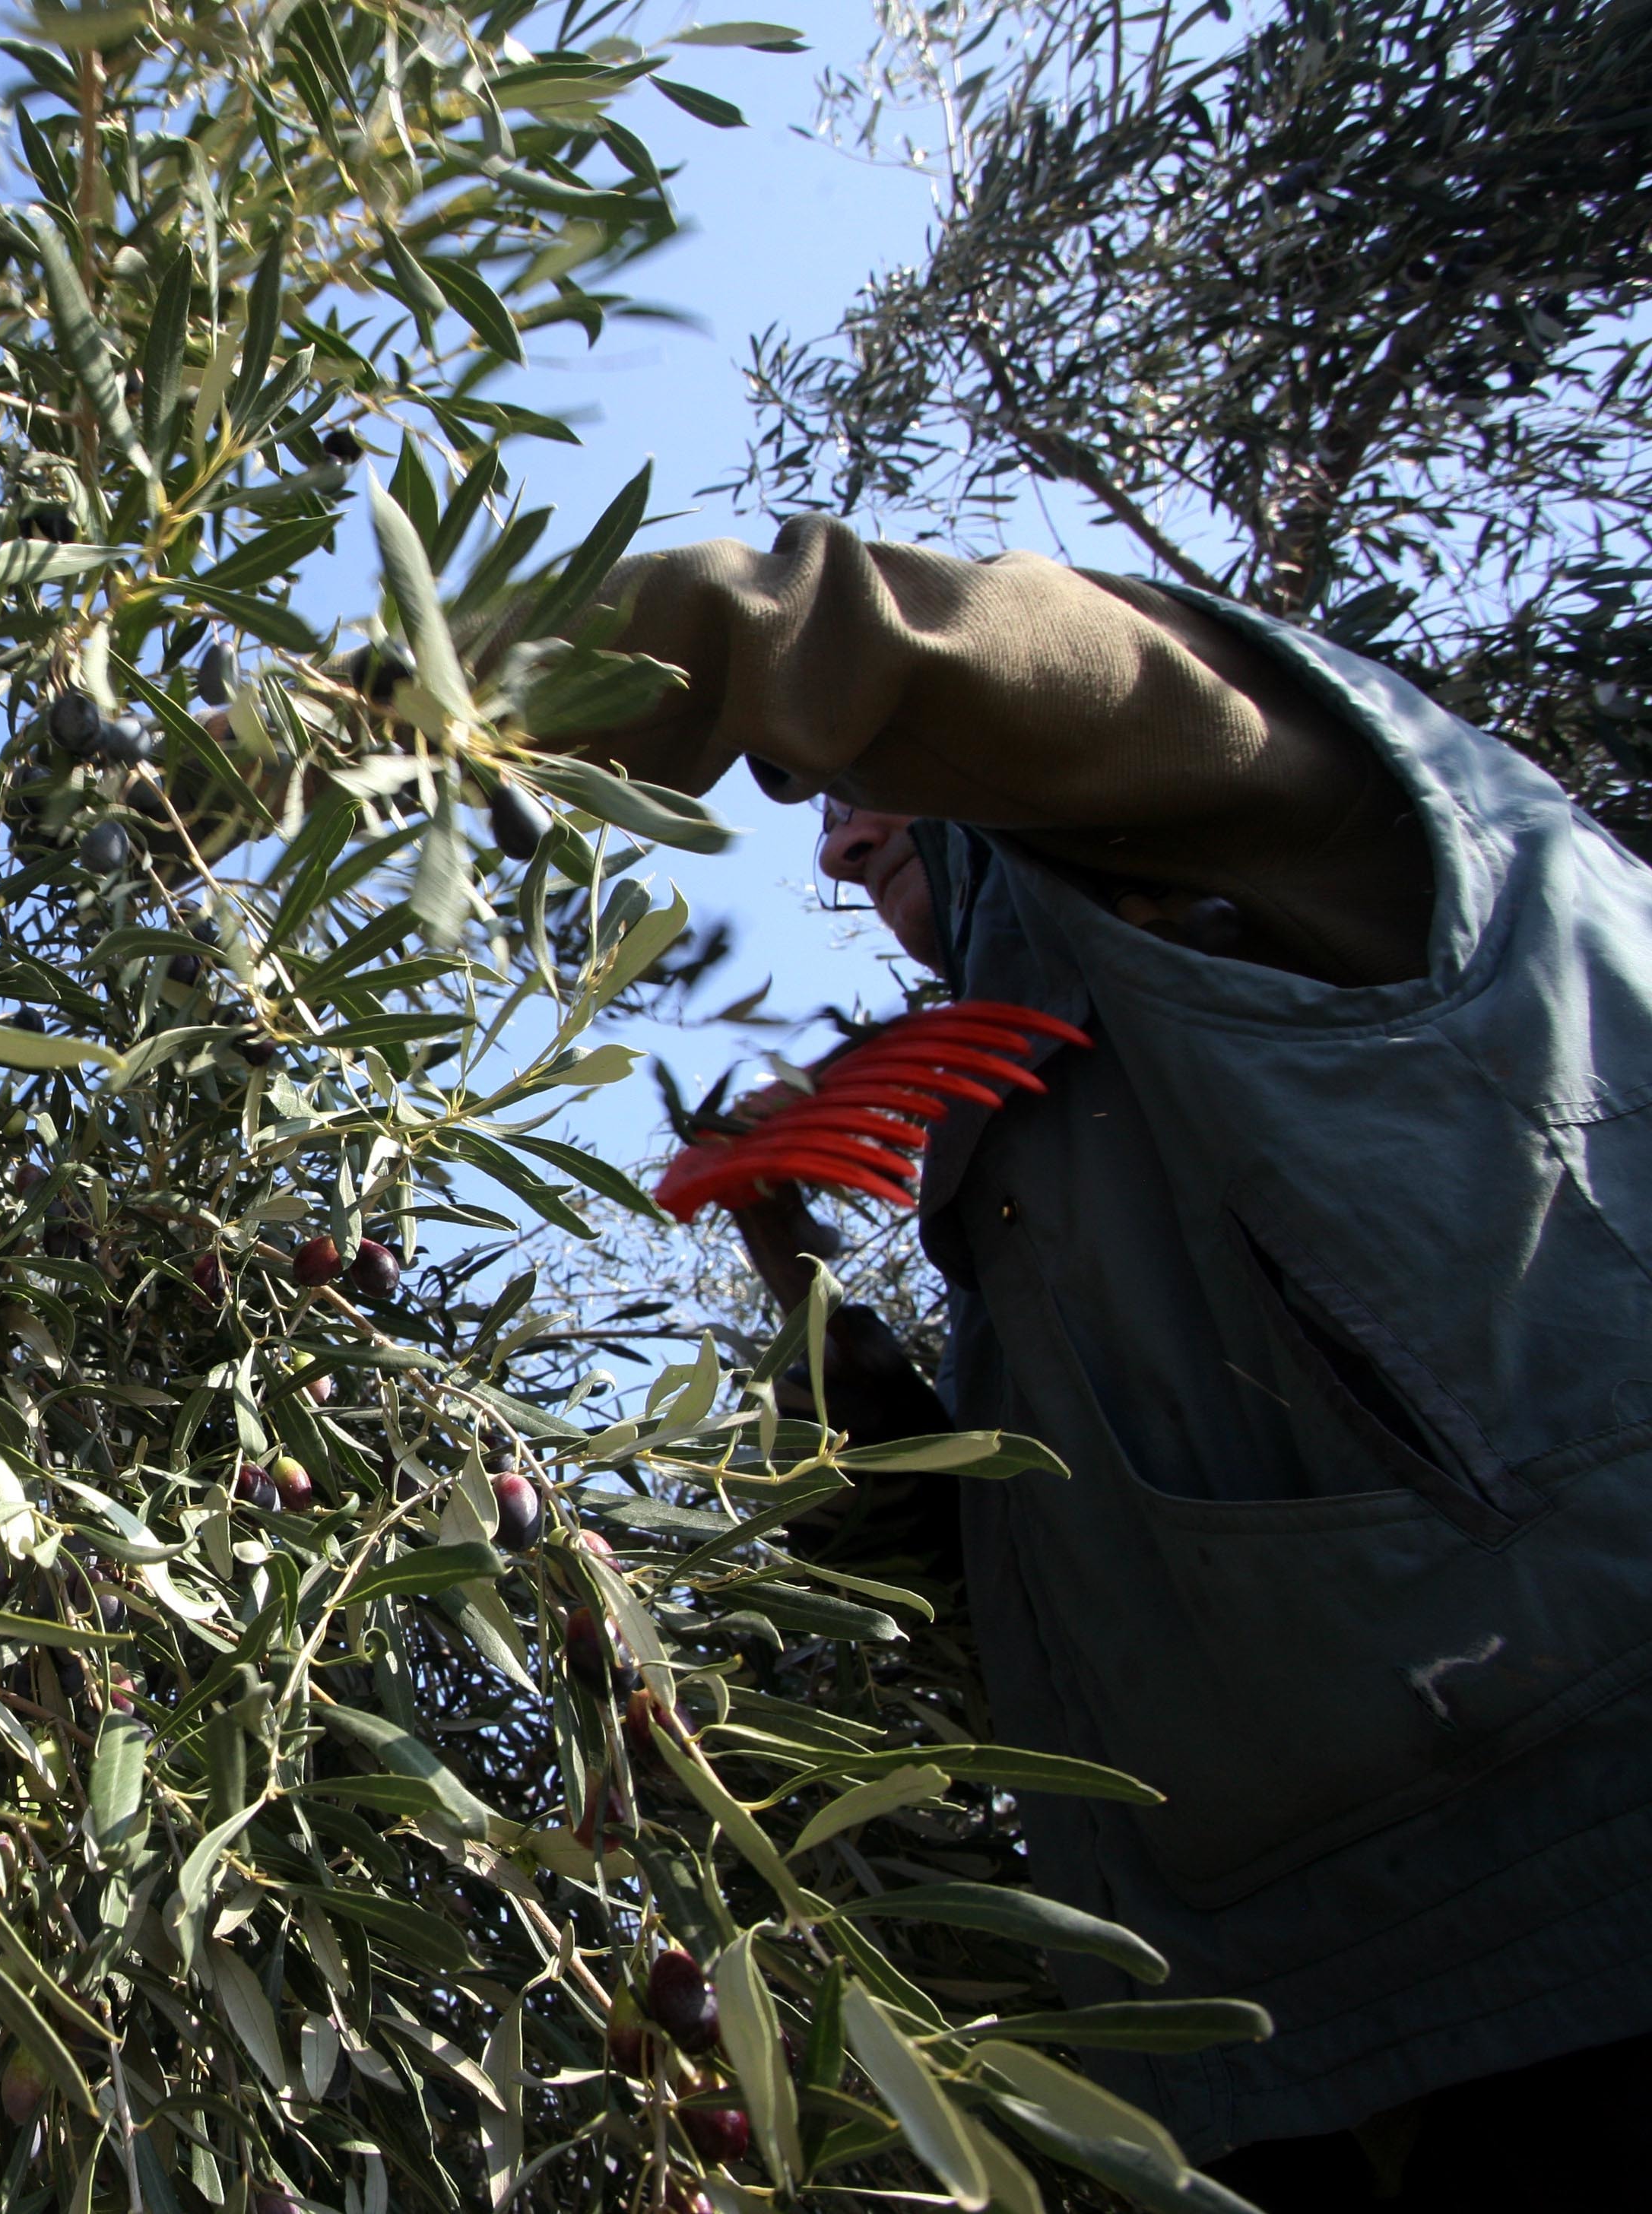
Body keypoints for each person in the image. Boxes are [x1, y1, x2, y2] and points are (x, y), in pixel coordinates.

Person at [563, 517, 1652, 2206]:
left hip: (1571, 1847)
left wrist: (445, 689)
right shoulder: (1051, 1130)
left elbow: (908, 646)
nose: (838, 850)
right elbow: (985, 1555)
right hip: (1283, 1999)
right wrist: (789, 1266)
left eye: (865, 804)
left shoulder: (1301, 805)